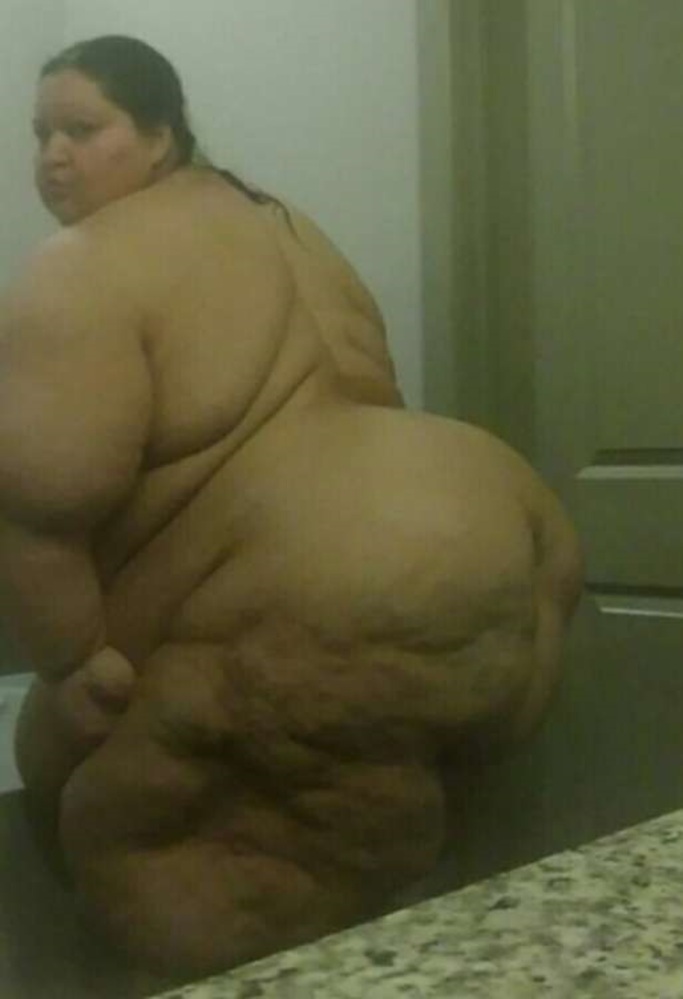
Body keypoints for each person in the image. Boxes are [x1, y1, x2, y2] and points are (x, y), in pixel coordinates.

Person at [0, 35, 582, 980]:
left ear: (160, 136)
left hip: (341, 594)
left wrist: (73, 665)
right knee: (430, 857)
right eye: (39, 135)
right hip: (507, 525)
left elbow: (38, 509)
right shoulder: (291, 227)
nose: (52, 157)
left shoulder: (81, 265)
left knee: (111, 840)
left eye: (82, 129)